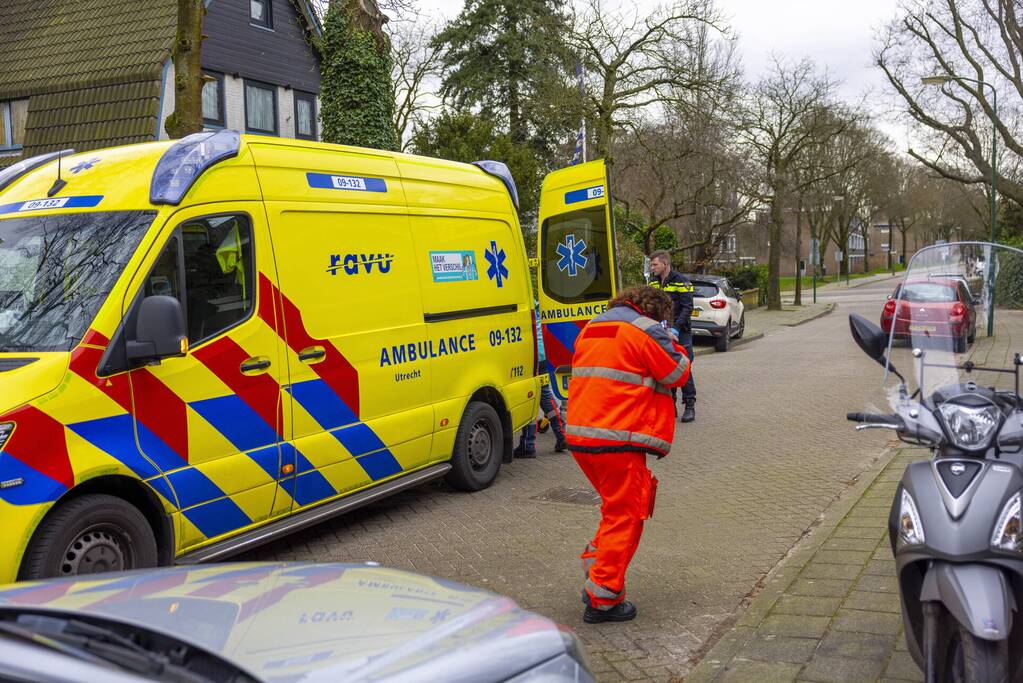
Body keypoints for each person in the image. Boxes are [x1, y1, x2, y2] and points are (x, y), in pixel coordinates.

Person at [565, 285, 691, 623]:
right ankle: (602, 597)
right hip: (618, 438)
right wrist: (672, 339)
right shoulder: (645, 330)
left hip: (582, 437)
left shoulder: (592, 328)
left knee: (615, 509)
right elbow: (677, 372)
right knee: (628, 515)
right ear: (655, 310)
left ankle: (598, 574)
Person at [648, 250, 697, 422]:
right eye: (651, 264)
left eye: (655, 264)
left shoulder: (681, 281)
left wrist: (675, 328)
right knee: (666, 367)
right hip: (661, 331)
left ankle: (690, 405)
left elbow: (687, 307)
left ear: (665, 264)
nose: (652, 267)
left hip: (680, 331)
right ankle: (671, 404)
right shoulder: (653, 282)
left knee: (684, 366)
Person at [514, 304, 567, 457]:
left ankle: (528, 444)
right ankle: (561, 434)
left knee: (531, 398)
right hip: (539, 355)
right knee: (544, 396)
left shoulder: (523, 303)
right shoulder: (532, 302)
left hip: (529, 356)